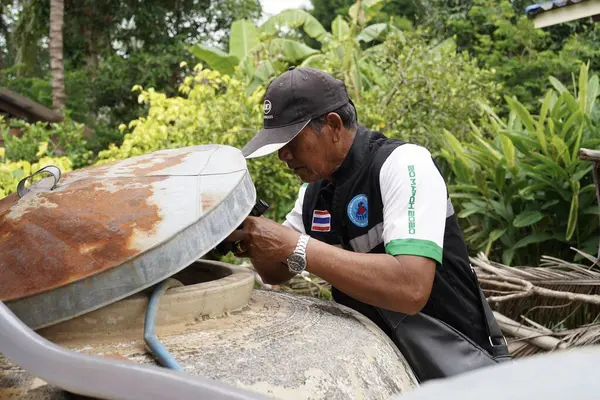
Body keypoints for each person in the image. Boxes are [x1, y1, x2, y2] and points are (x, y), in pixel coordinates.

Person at [227, 67, 510, 382]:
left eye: (291, 140)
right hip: (388, 371)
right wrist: (249, 231)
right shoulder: (313, 194)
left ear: (333, 125)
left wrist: (296, 246)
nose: (283, 155)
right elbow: (274, 271)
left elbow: (411, 288)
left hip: (460, 365)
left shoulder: (403, 165)